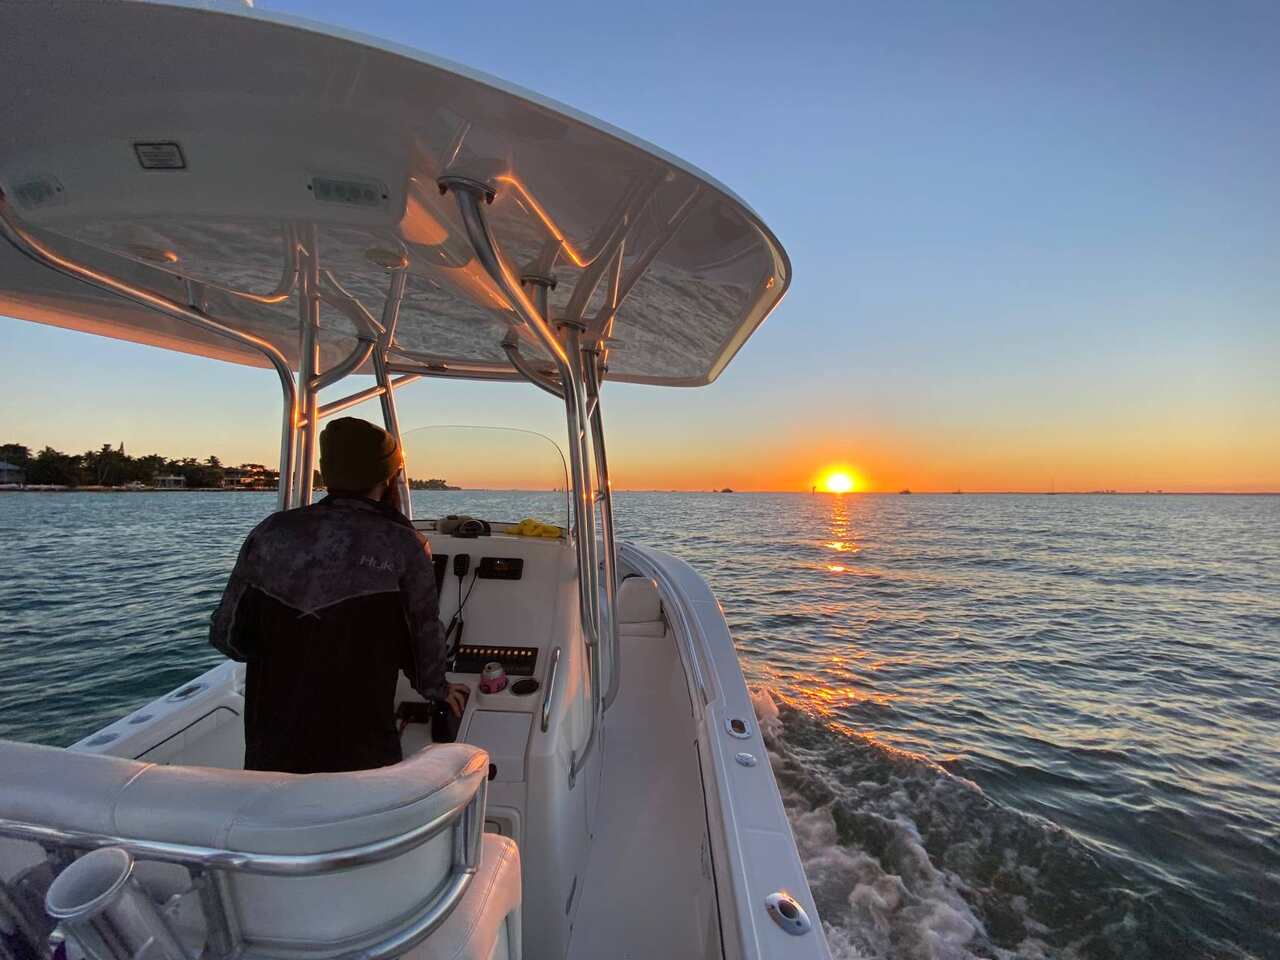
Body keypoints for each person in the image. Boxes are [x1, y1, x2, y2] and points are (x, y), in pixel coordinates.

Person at [209, 417, 468, 773]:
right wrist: (438, 690)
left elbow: (227, 638)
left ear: (326, 473)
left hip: (270, 754)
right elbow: (423, 641)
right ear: (387, 477)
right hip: (361, 757)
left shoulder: (270, 533)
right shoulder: (404, 545)